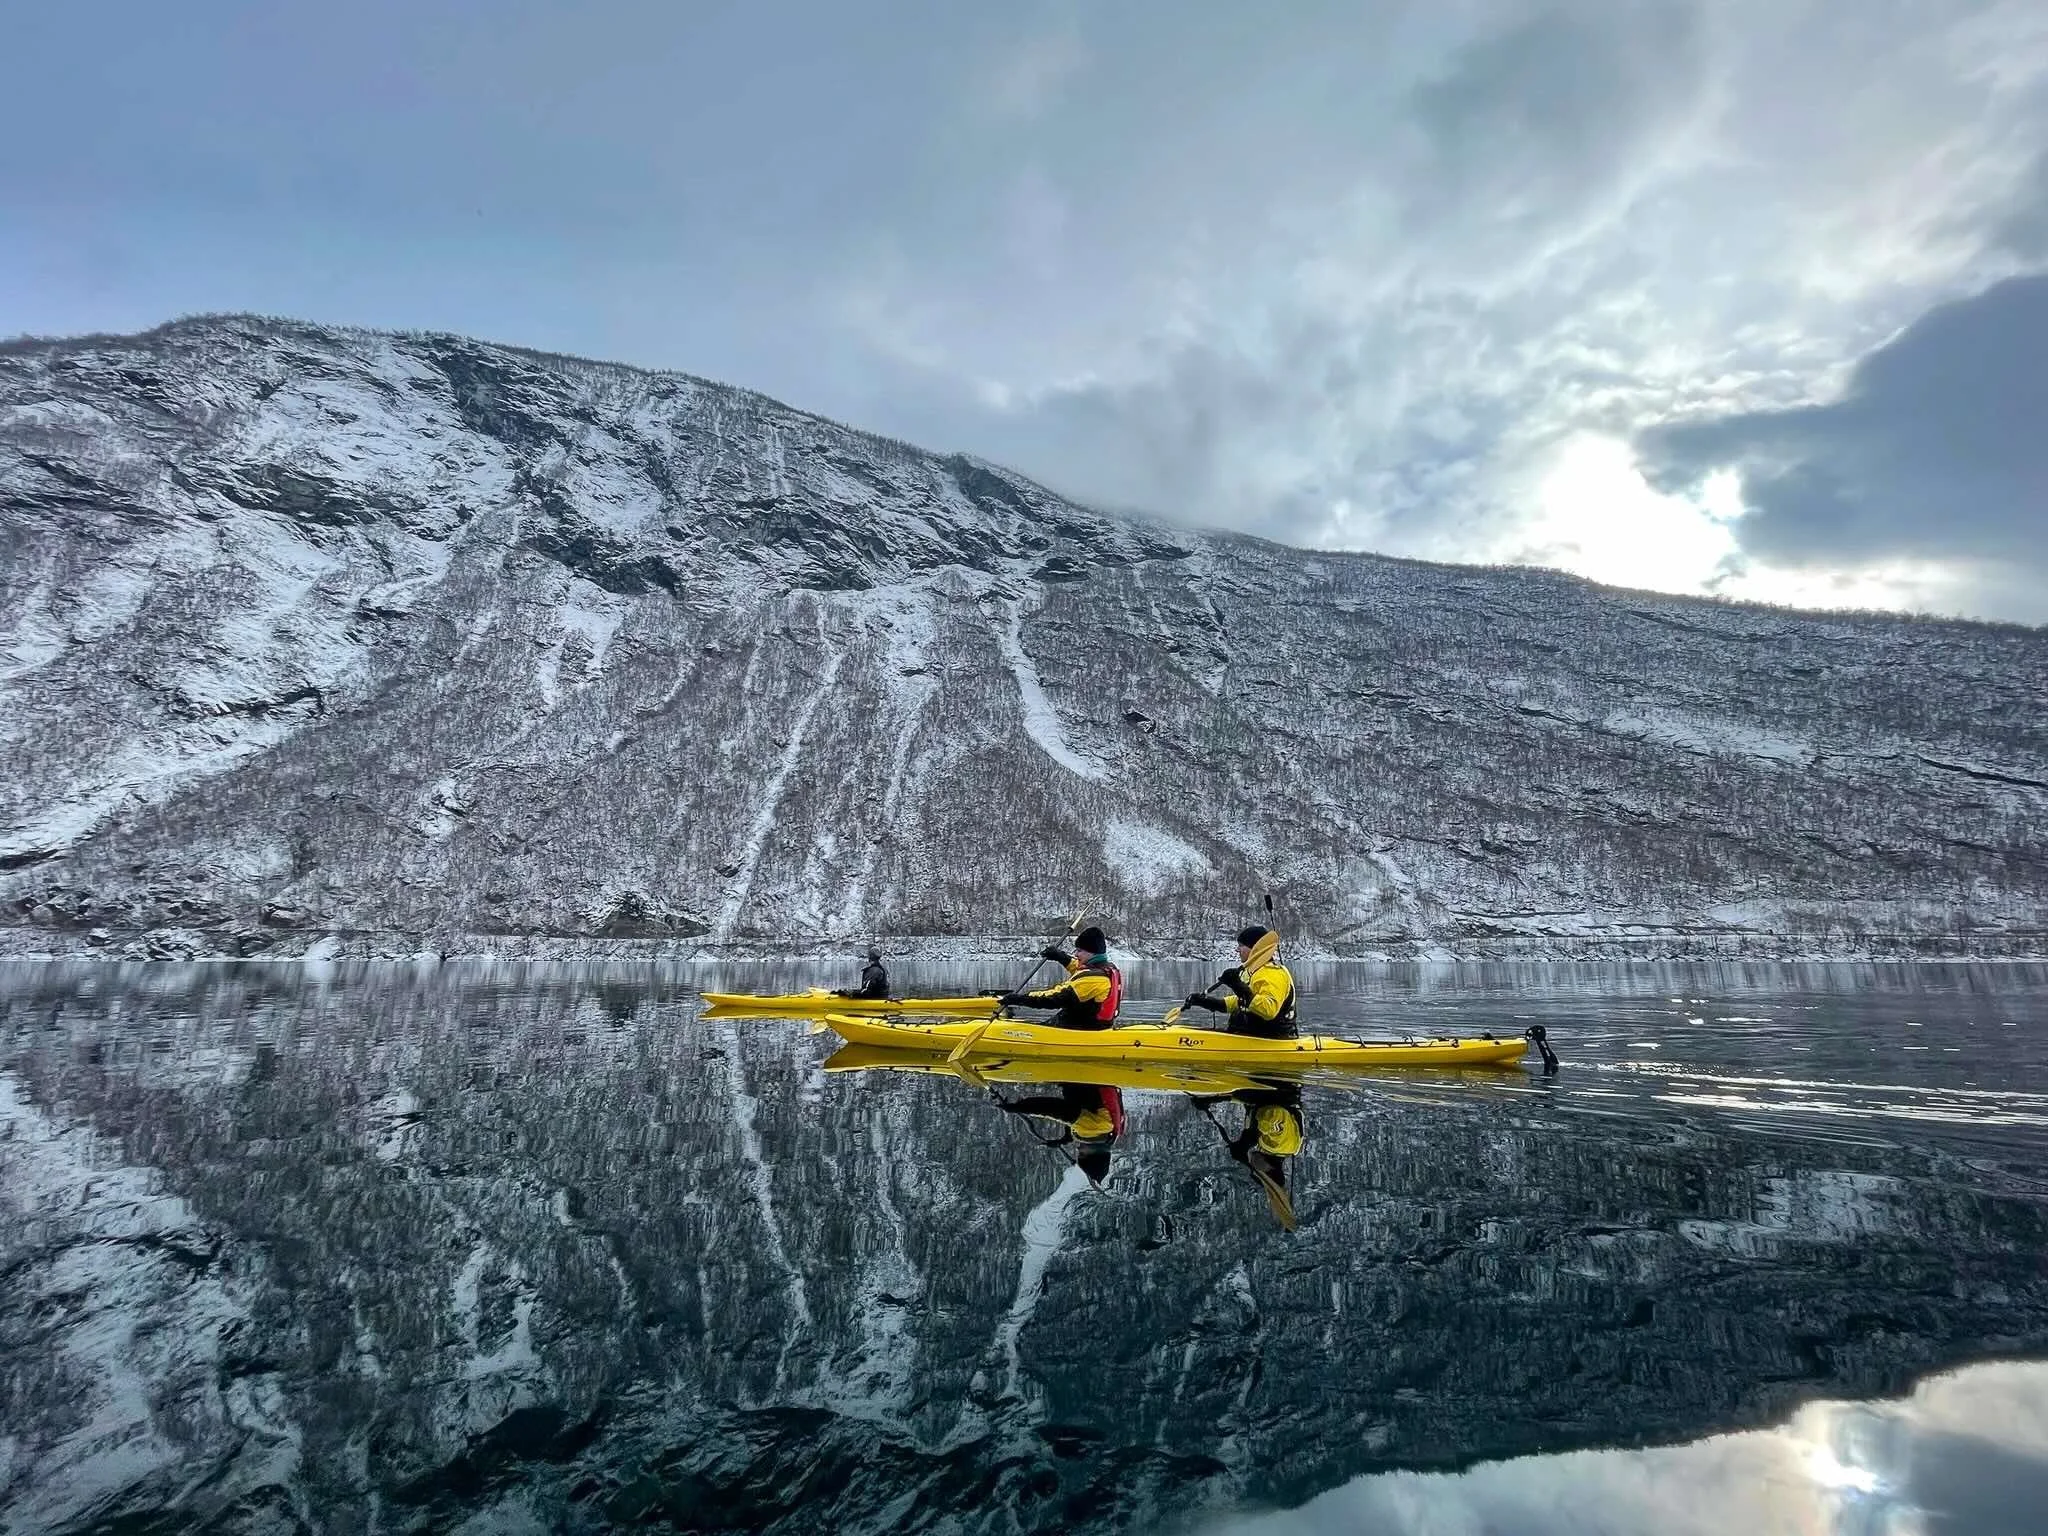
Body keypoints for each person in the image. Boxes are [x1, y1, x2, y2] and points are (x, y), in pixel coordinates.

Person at [993, 1082, 1124, 1185]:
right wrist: (1020, 1107)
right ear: (1095, 1152)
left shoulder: (1105, 1134)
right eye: (1082, 1153)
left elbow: (1078, 1120)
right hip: (1083, 1080)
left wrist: (1065, 1139)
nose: (1078, 1148)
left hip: (1090, 1084)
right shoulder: (1095, 1129)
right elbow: (1056, 1109)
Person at [1180, 925, 1297, 1038]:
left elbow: (1268, 1009)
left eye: (1241, 945)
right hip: (1249, 1035)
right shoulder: (1256, 971)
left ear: (1254, 947)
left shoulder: (1273, 973)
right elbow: (1243, 1001)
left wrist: (1237, 985)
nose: (1237, 950)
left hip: (1269, 1039)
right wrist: (1207, 1002)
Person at [996, 926, 1122, 1030]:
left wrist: (1019, 999)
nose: (1076, 954)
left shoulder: (1093, 979)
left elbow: (1054, 999)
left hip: (1081, 1027)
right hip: (1094, 1025)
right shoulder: (1106, 968)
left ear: (1092, 952)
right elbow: (1077, 967)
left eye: (1079, 951)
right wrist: (1059, 956)